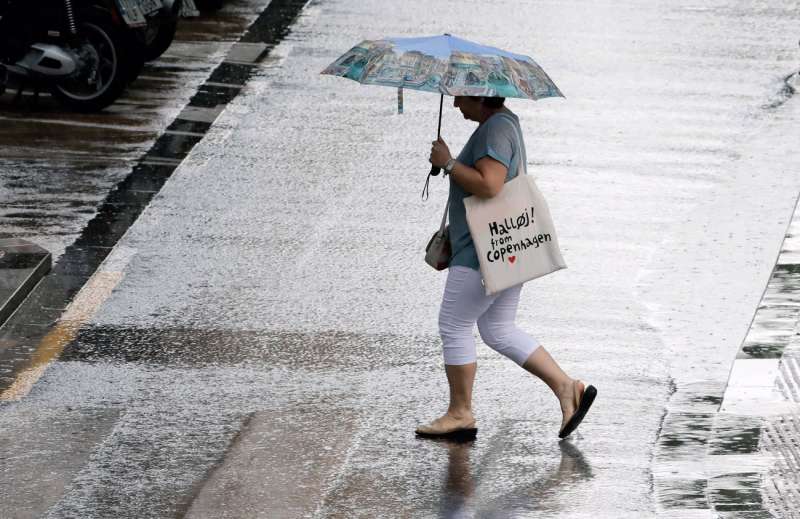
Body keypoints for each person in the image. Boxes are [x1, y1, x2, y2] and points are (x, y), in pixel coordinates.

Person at [416, 95, 596, 440]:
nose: (454, 104)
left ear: (479, 95)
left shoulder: (495, 130)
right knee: (497, 328)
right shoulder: (504, 122)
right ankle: (567, 387)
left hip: (483, 250)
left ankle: (460, 412)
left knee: (453, 324)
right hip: (506, 246)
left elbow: (490, 184)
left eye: (460, 96)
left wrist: (449, 163)